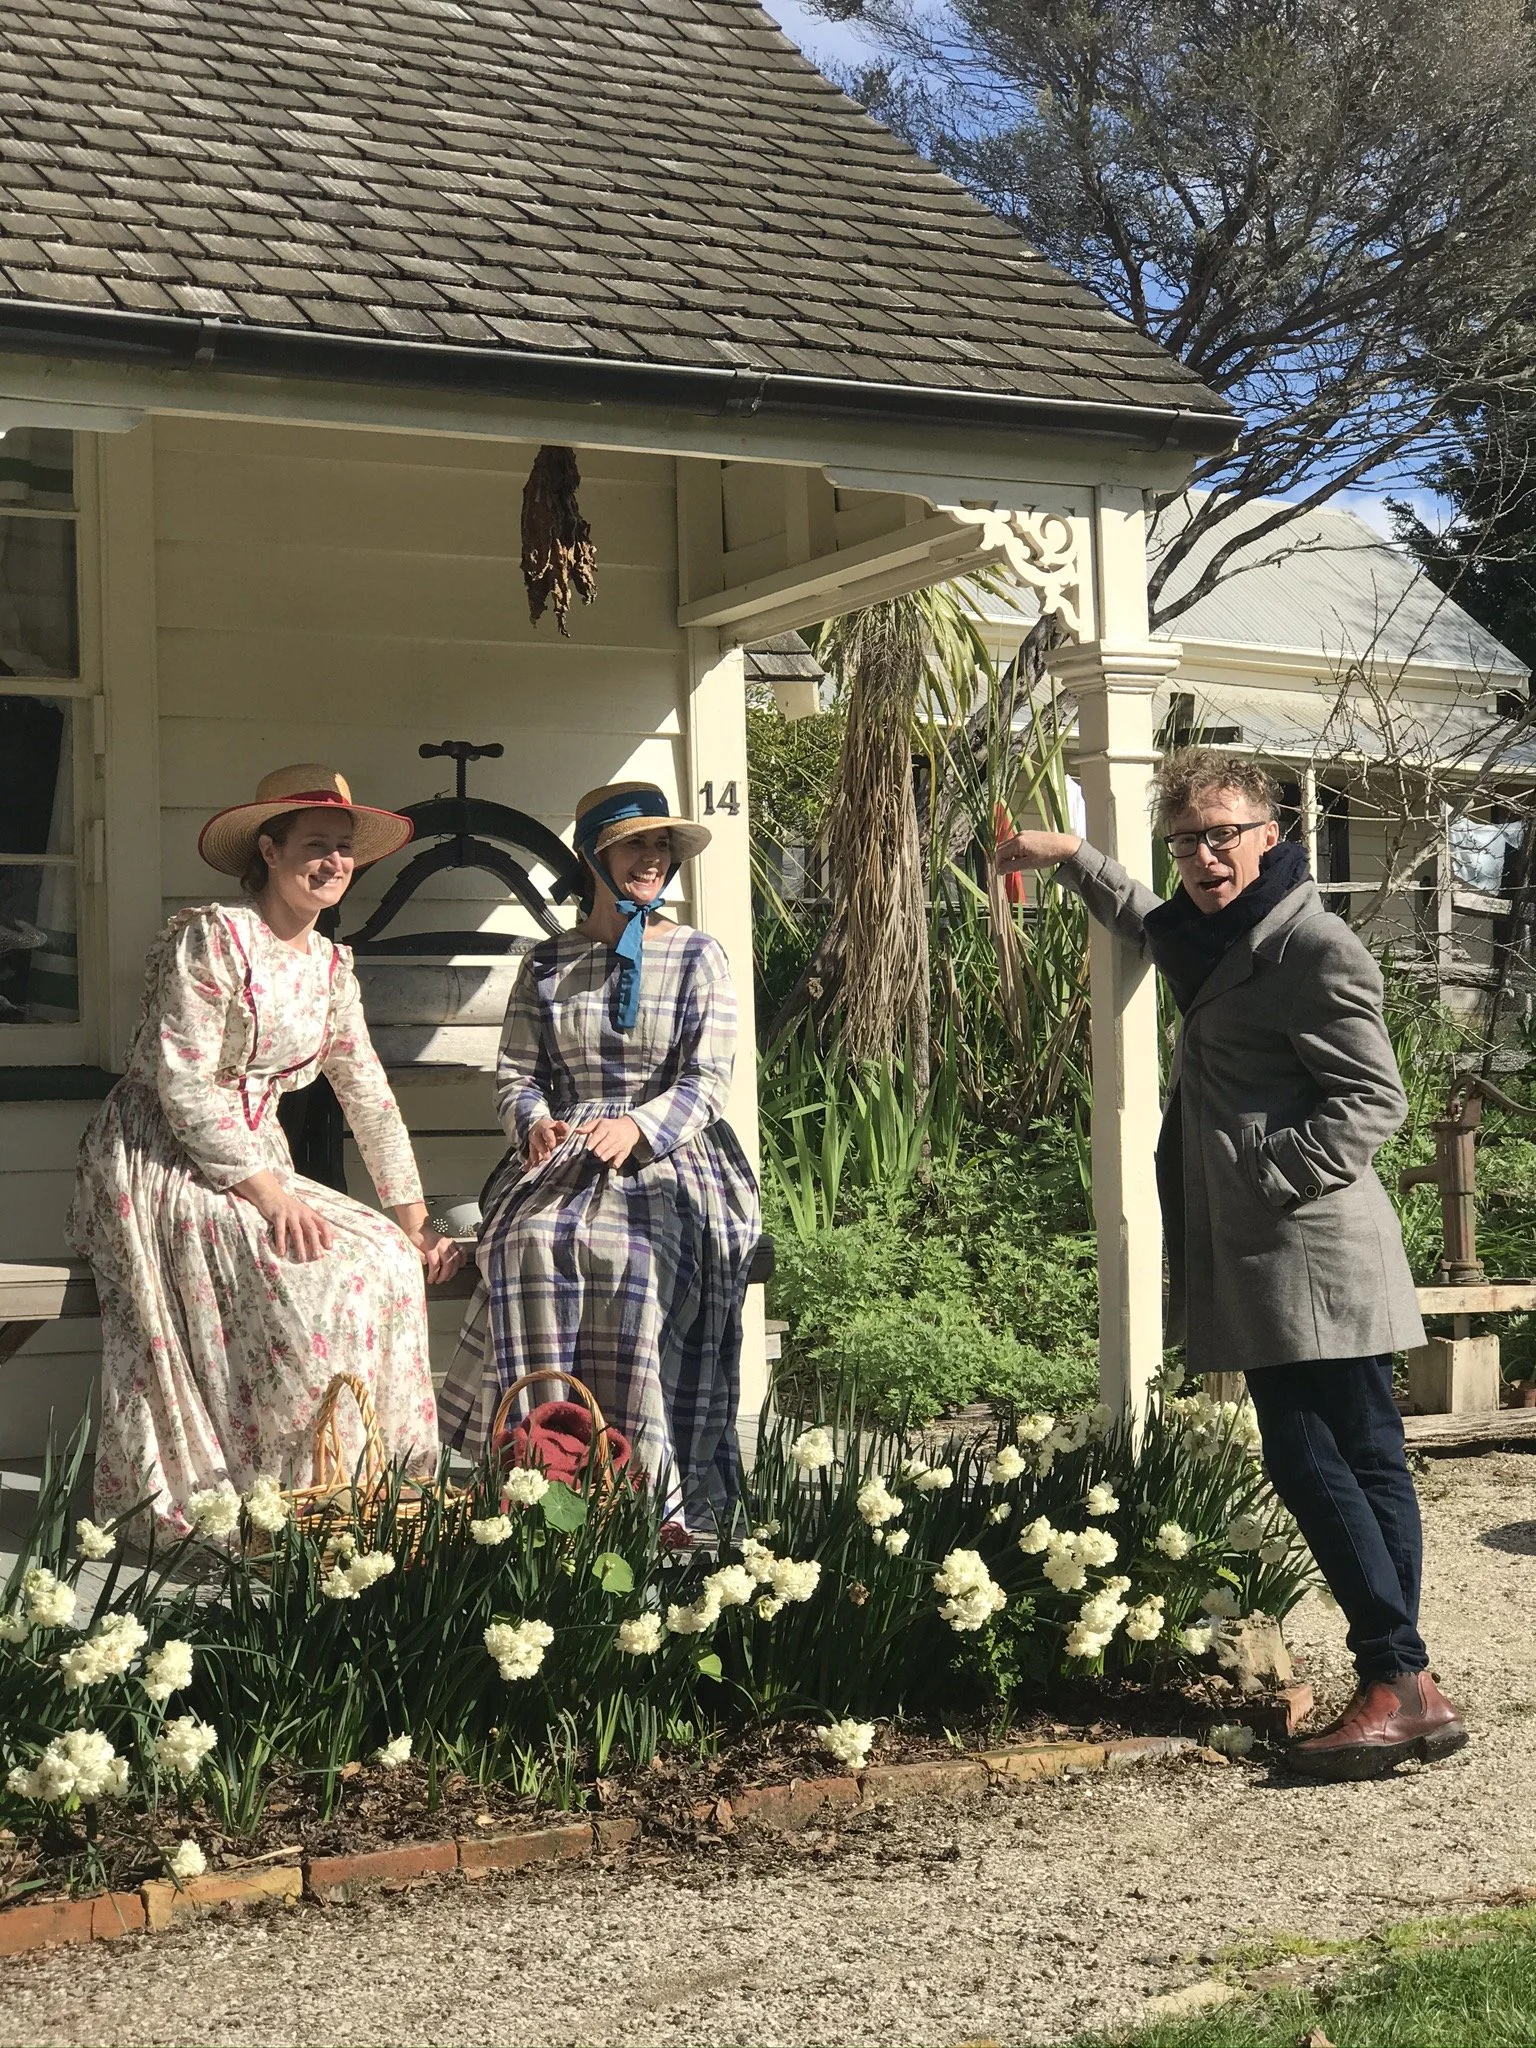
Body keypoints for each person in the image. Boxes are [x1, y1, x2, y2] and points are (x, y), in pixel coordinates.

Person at [996, 747, 1466, 1779]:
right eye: (1187, 842)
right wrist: (1069, 854)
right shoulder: (1214, 935)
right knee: (1364, 1453)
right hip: (1278, 1246)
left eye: (1223, 836)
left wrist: (1267, 1172)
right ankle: (1409, 1685)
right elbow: (1143, 917)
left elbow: (1373, 1098)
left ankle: (1396, 1678)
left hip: (1308, 1240)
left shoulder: (1312, 945)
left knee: (1314, 1456)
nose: (1205, 857)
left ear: (1270, 834)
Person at [67, 765, 462, 1535]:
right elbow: (183, 1086)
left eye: (344, 847)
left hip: (257, 1158)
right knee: (309, 1275)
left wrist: (414, 1220)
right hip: (161, 1155)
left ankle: (367, 1490)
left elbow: (368, 1095)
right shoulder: (215, 939)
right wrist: (271, 1194)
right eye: (316, 844)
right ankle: (274, 1494)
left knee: (385, 1258)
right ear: (271, 851)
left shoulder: (329, 968)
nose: (334, 862)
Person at [438, 781, 759, 1538]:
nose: (652, 859)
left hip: (675, 1157)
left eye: (661, 845)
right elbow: (517, 1075)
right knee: (526, 1247)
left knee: (635, 1263)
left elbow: (707, 1080)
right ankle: (540, 1479)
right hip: (567, 1156)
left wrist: (639, 1129)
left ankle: (648, 1489)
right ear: (594, 857)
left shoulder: (697, 955)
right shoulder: (547, 963)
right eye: (634, 844)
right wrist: (534, 1124)